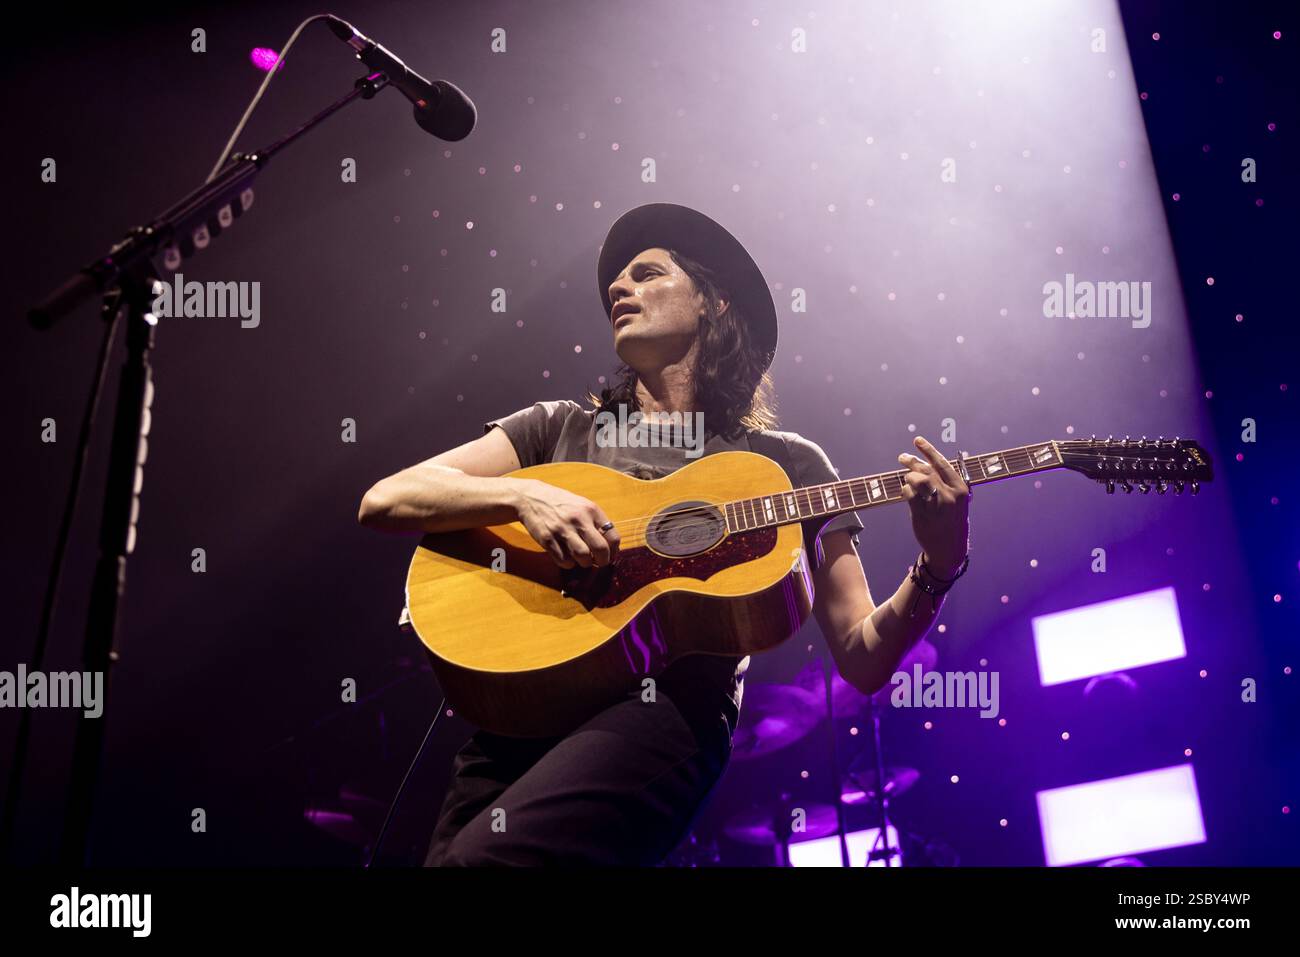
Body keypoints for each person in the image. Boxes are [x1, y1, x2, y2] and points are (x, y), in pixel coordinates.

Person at [357, 203, 972, 865]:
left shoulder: (786, 466)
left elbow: (862, 654)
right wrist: (521, 491)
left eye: (646, 273)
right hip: (520, 710)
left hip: (664, 711)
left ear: (712, 301)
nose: (619, 288)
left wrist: (938, 563)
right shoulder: (558, 429)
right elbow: (386, 498)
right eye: (615, 283)